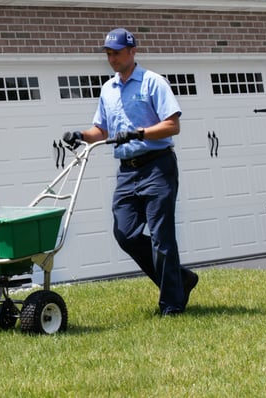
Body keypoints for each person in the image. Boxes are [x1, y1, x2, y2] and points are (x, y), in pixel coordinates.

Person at [63, 28, 198, 316]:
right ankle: (181, 278)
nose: (111, 58)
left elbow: (172, 125)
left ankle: (171, 304)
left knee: (162, 236)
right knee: (125, 234)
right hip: (127, 173)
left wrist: (139, 133)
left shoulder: (153, 82)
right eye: (108, 54)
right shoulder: (107, 90)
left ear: (132, 51)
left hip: (157, 166)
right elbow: (102, 130)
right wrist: (80, 135)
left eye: (116, 52)